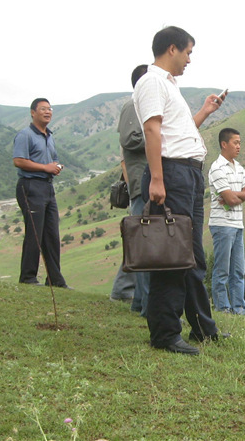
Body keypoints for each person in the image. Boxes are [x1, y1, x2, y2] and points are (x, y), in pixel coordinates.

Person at [133, 26, 228, 355]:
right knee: (172, 256)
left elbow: (177, 132)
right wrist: (157, 179)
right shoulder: (152, 80)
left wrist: (204, 112)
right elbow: (152, 129)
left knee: (192, 257)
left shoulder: (169, 85)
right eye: (188, 52)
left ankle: (202, 326)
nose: (189, 59)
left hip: (187, 174)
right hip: (171, 174)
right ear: (171, 48)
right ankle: (165, 333)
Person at [12, 98, 71, 288]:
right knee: (35, 233)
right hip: (30, 186)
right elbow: (19, 161)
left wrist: (56, 166)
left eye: (50, 109)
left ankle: (54, 280)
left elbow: (53, 160)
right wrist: (45, 167)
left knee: (52, 234)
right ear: (33, 112)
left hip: (47, 187)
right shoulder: (25, 135)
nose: (48, 112)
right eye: (43, 109)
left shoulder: (50, 136)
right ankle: (28, 278)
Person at [109, 64, 150, 316]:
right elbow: (130, 140)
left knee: (142, 238)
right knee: (139, 238)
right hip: (140, 182)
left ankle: (125, 291)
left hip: (150, 180)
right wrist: (158, 136)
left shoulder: (147, 108)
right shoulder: (132, 106)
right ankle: (124, 291)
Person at [208, 128, 245, 315]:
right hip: (222, 225)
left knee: (238, 270)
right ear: (224, 144)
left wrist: (232, 193)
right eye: (235, 142)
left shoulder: (239, 168)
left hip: (237, 224)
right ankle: (223, 307)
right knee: (222, 271)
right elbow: (233, 200)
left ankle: (239, 307)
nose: (238, 146)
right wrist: (237, 196)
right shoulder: (217, 168)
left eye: (240, 143)